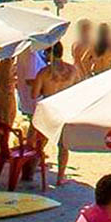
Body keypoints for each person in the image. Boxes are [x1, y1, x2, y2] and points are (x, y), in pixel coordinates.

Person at [32, 42, 81, 185]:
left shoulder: (44, 72)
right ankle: (60, 177)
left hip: (48, 111)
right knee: (63, 146)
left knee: (40, 144)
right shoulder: (72, 71)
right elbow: (79, 91)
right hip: (64, 110)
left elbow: (34, 94)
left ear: (49, 54)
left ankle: (31, 171)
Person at [15, 44, 48, 118]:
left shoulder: (36, 52)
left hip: (35, 103)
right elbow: (30, 80)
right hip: (34, 104)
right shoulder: (30, 53)